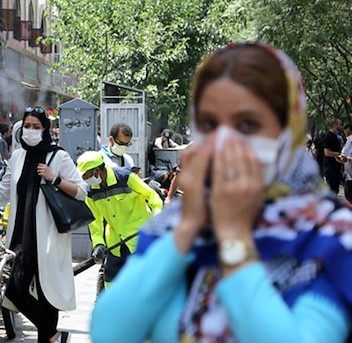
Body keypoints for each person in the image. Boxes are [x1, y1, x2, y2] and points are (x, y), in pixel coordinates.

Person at [90, 42, 352, 343]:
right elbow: (110, 330)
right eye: (210, 123)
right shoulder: (176, 226)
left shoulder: (329, 236)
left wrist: (233, 240)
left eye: (248, 123)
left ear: (287, 127)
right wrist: (189, 227)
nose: (225, 139)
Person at [0, 106, 86, 343]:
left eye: (36, 127)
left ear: (45, 129)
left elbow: (81, 192)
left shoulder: (58, 156)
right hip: (20, 236)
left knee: (48, 294)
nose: (31, 131)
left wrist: (54, 178)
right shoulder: (17, 157)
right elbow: (1, 192)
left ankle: (49, 337)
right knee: (13, 286)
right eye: (27, 126)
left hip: (47, 237)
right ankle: (55, 335)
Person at [76, 151, 163, 285]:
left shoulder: (125, 178)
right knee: (110, 282)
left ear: (97, 170)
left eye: (86, 175)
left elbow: (152, 196)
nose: (85, 179)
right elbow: (95, 221)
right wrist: (98, 243)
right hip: (115, 244)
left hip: (138, 239)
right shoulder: (91, 192)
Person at [323, 119, 343, 193]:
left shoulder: (335, 137)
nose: (341, 127)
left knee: (335, 189)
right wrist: (337, 154)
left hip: (336, 168)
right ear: (334, 125)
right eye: (340, 125)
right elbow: (326, 152)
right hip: (330, 168)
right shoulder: (328, 137)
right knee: (332, 189)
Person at [339, 123, 352, 205]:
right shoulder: (348, 141)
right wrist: (340, 158)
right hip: (348, 173)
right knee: (348, 194)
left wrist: (348, 159)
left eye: (346, 129)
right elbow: (344, 153)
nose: (344, 131)